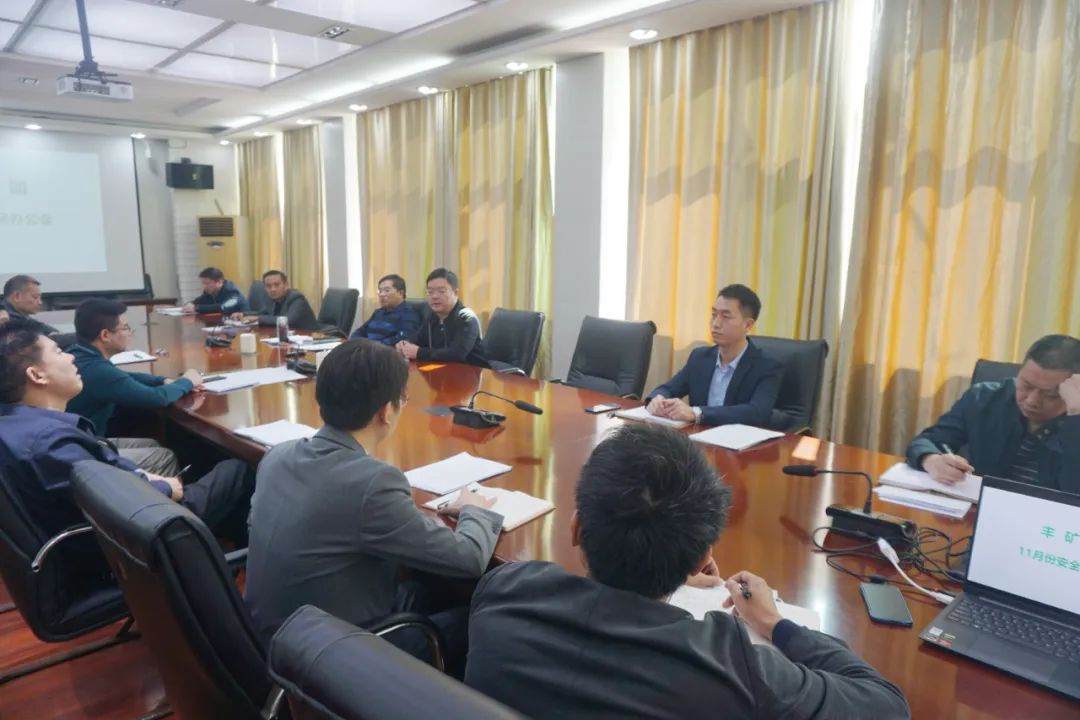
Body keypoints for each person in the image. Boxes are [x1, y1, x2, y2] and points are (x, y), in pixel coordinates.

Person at [465, 424, 910, 719]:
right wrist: (776, 624)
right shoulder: (734, 668)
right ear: (701, 560)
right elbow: (886, 706)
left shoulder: (504, 590)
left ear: (576, 528)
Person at [244, 339, 503, 674]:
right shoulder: (373, 483)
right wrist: (474, 509)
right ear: (386, 411)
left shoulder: (278, 455)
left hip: (271, 636)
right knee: (483, 621)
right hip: (329, 661)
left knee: (422, 588)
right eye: (403, 399)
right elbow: (469, 559)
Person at [0, 323, 255, 553]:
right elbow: (118, 500)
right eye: (58, 352)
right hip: (132, 539)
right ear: (37, 375)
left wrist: (140, 476)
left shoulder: (17, 424)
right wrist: (166, 487)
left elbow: (104, 477)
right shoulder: (52, 444)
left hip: (108, 529)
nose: (71, 356)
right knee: (240, 467)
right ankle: (219, 557)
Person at [906, 334, 1080, 494]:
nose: (1031, 401)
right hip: (978, 507)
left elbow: (1074, 491)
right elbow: (928, 440)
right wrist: (931, 459)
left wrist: (1076, 417)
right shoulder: (984, 399)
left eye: (1050, 395)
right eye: (1026, 385)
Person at [66, 298, 205, 475]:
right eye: (125, 328)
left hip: (78, 441)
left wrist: (161, 380)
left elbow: (121, 377)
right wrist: (188, 381)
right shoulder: (97, 370)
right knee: (163, 456)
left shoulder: (79, 354)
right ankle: (168, 492)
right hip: (82, 453)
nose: (129, 332)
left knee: (152, 444)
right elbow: (157, 398)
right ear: (105, 335)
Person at [645, 284, 782, 426]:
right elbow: (668, 388)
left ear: (747, 325)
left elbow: (757, 412)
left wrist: (697, 413)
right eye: (714, 315)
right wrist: (658, 399)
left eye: (726, 317)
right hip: (697, 436)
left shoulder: (767, 366)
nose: (715, 324)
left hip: (737, 438)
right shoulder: (700, 357)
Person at [396, 268, 486, 366]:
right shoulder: (432, 317)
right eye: (430, 292)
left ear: (456, 293)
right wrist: (404, 344)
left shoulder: (467, 318)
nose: (435, 296)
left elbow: (456, 354)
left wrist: (419, 353)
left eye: (441, 291)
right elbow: (417, 339)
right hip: (442, 370)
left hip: (472, 371)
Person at [350, 273, 422, 345]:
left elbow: (402, 339)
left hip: (385, 351)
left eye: (387, 290)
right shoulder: (378, 312)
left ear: (400, 293)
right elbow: (360, 331)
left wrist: (373, 346)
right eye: (380, 291)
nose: (381, 294)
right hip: (368, 348)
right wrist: (355, 342)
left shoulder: (409, 313)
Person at [234, 270, 317, 331]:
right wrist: (243, 314)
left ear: (286, 285)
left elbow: (287, 320)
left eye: (277, 285)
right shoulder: (271, 298)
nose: (272, 289)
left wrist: (257, 318)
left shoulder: (296, 298)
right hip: (284, 337)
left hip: (308, 336)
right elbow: (262, 313)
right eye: (268, 286)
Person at [182, 267, 247, 315]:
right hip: (222, 323)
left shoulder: (232, 292)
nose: (204, 286)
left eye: (207, 283)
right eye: (203, 283)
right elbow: (199, 301)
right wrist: (190, 304)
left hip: (242, 324)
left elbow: (222, 307)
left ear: (219, 282)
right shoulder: (209, 291)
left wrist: (196, 308)